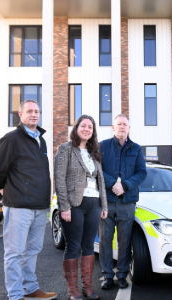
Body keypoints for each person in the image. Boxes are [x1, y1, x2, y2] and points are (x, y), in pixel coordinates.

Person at [0, 100, 57, 300]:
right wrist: (2, 188)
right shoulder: (11, 139)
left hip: (39, 206)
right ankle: (16, 294)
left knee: (33, 250)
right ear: (20, 114)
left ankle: (30, 288)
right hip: (18, 205)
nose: (34, 114)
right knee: (14, 252)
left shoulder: (41, 140)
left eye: (37, 111)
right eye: (29, 111)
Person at [54, 115, 108, 300]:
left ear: (93, 132)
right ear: (77, 128)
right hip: (74, 205)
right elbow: (59, 179)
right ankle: (72, 290)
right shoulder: (66, 149)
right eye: (83, 126)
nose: (87, 129)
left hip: (94, 204)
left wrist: (104, 205)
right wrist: (64, 206)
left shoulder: (95, 153)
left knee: (88, 246)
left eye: (90, 127)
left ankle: (87, 286)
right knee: (73, 245)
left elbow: (100, 180)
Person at [99, 114, 147, 289]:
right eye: (118, 124)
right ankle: (107, 276)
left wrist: (125, 186)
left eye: (124, 124)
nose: (121, 127)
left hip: (127, 202)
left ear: (129, 128)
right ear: (113, 127)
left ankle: (121, 274)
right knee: (105, 239)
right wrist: (113, 184)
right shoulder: (102, 146)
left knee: (125, 240)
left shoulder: (136, 148)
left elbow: (142, 172)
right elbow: (97, 170)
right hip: (108, 201)